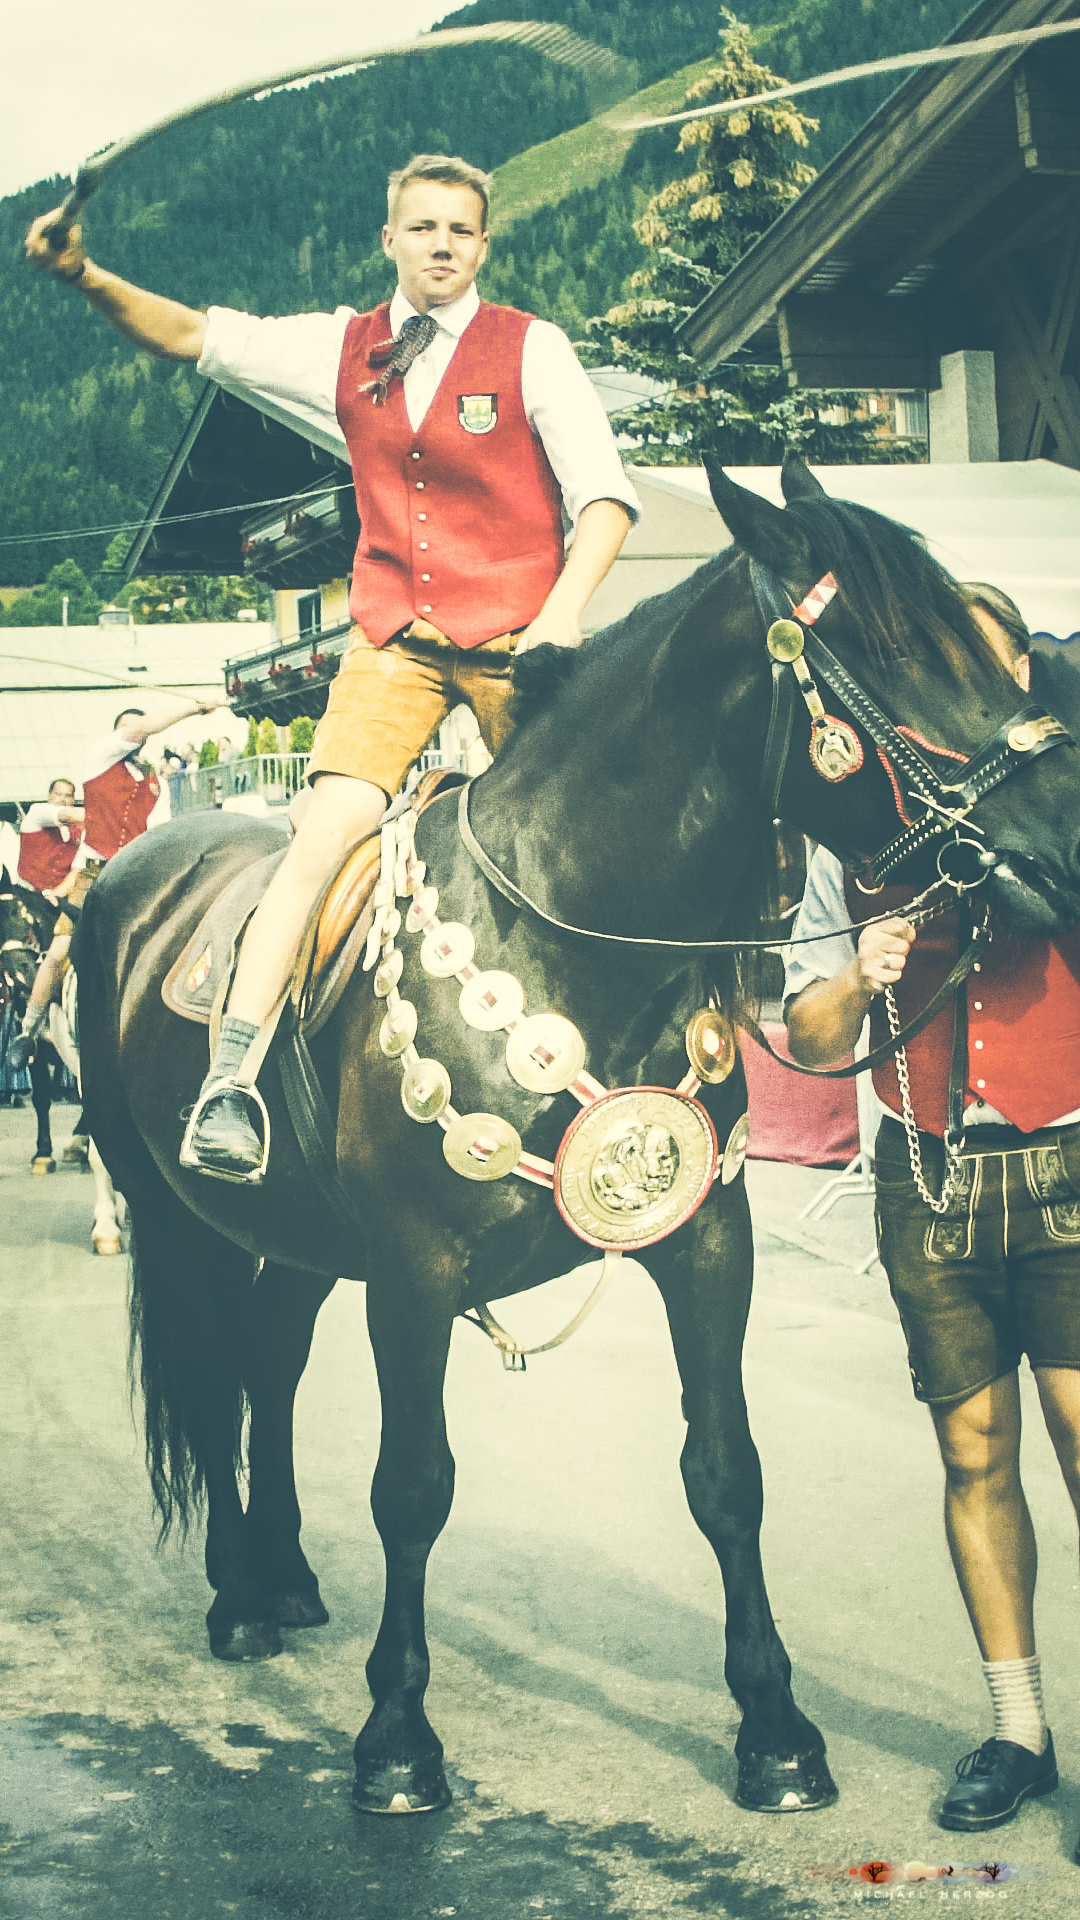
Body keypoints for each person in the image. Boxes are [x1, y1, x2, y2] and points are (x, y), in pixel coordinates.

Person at [26, 152, 639, 1178]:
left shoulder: (533, 350)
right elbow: (189, 335)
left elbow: (606, 500)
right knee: (319, 837)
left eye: (461, 230)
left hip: (520, 642)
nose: (442, 243)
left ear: (482, 247)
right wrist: (88, 277)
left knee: (588, 842)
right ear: (388, 240)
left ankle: (646, 1070)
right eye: (424, 227)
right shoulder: (337, 347)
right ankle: (234, 1083)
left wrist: (564, 615)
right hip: (394, 641)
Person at [783, 584, 1080, 1840]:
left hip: (1066, 1162)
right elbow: (803, 1030)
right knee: (974, 1457)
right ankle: (1019, 1733)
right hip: (928, 1174)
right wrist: (862, 970)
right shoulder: (854, 833)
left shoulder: (1061, 796)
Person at [6, 699, 218, 1073]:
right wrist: (192, 708)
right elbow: (145, 727)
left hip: (138, 871)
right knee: (58, 951)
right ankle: (28, 1030)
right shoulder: (99, 756)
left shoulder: (155, 783)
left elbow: (160, 831)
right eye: (131, 728)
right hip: (94, 873)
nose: (137, 734)